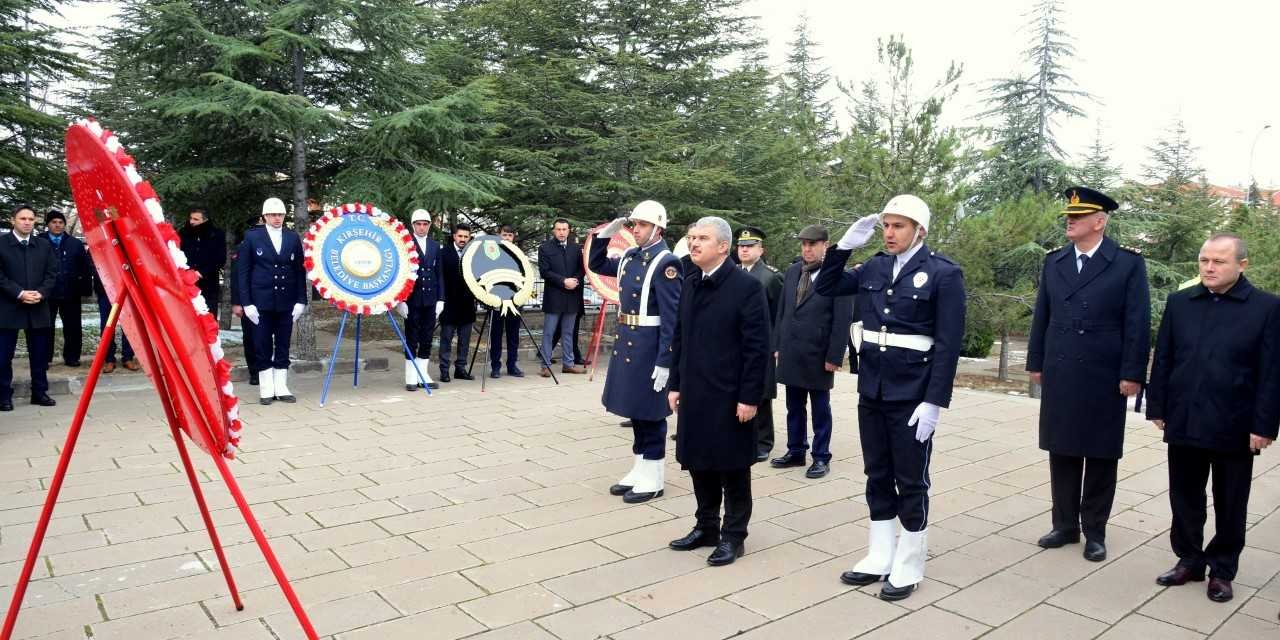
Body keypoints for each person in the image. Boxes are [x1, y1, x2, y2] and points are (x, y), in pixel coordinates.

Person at [816, 194, 965, 601]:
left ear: (920, 230)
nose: (889, 233)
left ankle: (909, 563)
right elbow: (826, 285)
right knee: (877, 474)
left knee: (910, 479)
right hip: (874, 388)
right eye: (886, 225)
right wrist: (843, 247)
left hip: (913, 393)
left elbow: (948, 345)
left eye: (898, 226)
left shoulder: (943, 273)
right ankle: (880, 554)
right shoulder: (875, 267)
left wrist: (934, 402)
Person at [1146, 233, 1279, 603]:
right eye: (1204, 260)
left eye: (1219, 261)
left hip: (1235, 425)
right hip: (1185, 419)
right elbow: (1166, 357)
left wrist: (1264, 425)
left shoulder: (1267, 308)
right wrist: (1157, 406)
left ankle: (1222, 569)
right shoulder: (1181, 302)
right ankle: (1189, 559)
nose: (1209, 268)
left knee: (1230, 501)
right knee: (1184, 496)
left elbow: (1272, 372)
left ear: (1242, 265)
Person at [1026, 186, 1150, 563]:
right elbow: (1042, 314)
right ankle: (1064, 525)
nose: (1070, 221)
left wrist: (1132, 372)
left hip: (1104, 371)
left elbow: (1137, 322)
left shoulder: (1126, 263)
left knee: (1099, 452)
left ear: (1100, 222)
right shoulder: (1055, 261)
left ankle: (1094, 529)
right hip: (1062, 366)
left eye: (1078, 217)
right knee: (1061, 448)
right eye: (1068, 216)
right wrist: (1036, 362)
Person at [667, 216, 770, 567]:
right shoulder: (692, 282)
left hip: (730, 395)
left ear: (723, 247)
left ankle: (733, 536)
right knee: (699, 462)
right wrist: (675, 383)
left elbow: (757, 348)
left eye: (703, 238)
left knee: (732, 467)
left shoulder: (746, 287)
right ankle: (706, 525)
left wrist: (749, 397)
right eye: (692, 237)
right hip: (696, 391)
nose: (694, 243)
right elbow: (680, 336)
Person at [590, 201, 682, 503]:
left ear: (658, 228)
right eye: (634, 225)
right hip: (629, 342)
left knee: (652, 414)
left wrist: (666, 361)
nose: (635, 230)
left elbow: (672, 318)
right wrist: (606, 234)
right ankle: (640, 467)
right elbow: (597, 264)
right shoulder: (631, 256)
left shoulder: (667, 263)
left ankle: (653, 477)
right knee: (636, 412)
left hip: (649, 347)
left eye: (641, 225)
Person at [771, 224, 853, 479]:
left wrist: (834, 356)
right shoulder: (794, 270)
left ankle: (820, 456)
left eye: (812, 244)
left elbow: (842, 320)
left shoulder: (838, 275)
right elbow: (783, 311)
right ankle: (796, 451)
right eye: (804, 244)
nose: (807, 249)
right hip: (792, 350)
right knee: (793, 405)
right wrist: (777, 345)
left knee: (820, 408)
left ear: (824, 246)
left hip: (818, 353)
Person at [236, 197, 308, 405]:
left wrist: (301, 300)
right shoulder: (252, 237)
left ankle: (282, 387)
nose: (277, 218)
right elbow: (244, 273)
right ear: (265, 216)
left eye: (280, 215)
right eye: (273, 215)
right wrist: (247, 303)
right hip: (260, 302)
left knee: (283, 344)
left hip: (286, 302)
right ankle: (266, 388)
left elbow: (298, 271)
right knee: (262, 344)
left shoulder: (292, 237)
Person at [0, 205, 58, 410]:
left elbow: (52, 273)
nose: (27, 222)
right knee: (3, 356)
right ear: (12, 220)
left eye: (31, 219)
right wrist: (19, 293)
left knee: (40, 354)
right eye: (22, 218)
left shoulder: (43, 245)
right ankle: (3, 396)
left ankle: (40, 392)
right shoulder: (2, 244)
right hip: (8, 307)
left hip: (37, 306)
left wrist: (41, 293)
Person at [737, 226, 784, 461]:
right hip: (736, 344)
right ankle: (742, 436)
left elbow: (779, 314)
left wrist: (777, 345)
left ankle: (763, 441)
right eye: (741, 246)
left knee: (761, 392)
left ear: (761, 249)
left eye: (750, 246)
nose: (744, 250)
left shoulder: (770, 277)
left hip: (762, 343)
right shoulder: (734, 273)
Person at [396, 209, 445, 390]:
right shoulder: (405, 244)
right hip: (412, 300)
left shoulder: (434, 245)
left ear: (430, 225)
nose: (422, 227)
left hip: (430, 299)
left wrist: (441, 299)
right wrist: (400, 301)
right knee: (412, 337)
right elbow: (400, 274)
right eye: (418, 224)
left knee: (427, 337)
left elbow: (438, 274)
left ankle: (422, 373)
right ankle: (410, 376)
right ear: (413, 225)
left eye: (425, 224)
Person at [40, 208, 91, 367]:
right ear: (48, 224)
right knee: (45, 327)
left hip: (71, 292)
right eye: (54, 222)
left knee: (73, 326)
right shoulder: (39, 241)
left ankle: (72, 356)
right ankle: (44, 358)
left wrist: (85, 289)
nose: (57, 225)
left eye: (60, 222)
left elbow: (85, 267)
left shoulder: (75, 243)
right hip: (46, 293)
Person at [539, 218, 585, 376]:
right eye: (558, 229)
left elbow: (582, 269)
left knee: (568, 332)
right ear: (554, 231)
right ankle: (545, 365)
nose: (561, 232)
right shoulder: (545, 248)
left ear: (569, 230)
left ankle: (568, 364)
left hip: (572, 296)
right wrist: (563, 281)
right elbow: (544, 272)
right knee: (549, 332)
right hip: (554, 296)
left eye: (564, 229)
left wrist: (576, 280)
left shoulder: (575, 248)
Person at [438, 223, 477, 382]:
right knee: (446, 339)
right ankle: (444, 370)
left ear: (469, 238)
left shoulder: (473, 254)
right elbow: (440, 278)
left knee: (465, 340)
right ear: (454, 236)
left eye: (465, 237)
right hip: (449, 304)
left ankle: (460, 369)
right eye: (460, 236)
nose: (462, 239)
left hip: (467, 304)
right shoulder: (443, 253)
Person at [89, 250, 136, 374]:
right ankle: (109, 359)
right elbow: (93, 265)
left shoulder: (125, 241)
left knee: (129, 326)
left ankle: (128, 357)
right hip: (105, 290)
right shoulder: (99, 243)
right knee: (107, 325)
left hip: (127, 289)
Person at [229, 216, 262, 385]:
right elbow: (236, 277)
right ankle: (255, 372)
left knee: (265, 337)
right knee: (250, 337)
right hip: (247, 299)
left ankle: (266, 370)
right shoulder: (242, 248)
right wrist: (236, 302)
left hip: (266, 299)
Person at [488, 224, 523, 378]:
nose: (507, 238)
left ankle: (512, 365)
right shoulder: (492, 254)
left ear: (513, 237)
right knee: (496, 336)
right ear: (499, 235)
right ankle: (495, 366)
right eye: (504, 235)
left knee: (513, 336)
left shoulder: (519, 255)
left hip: (514, 301)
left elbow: (524, 277)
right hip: (497, 301)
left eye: (510, 235)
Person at [178, 207, 227, 319]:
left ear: (205, 220)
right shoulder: (184, 233)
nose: (192, 222)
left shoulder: (216, 235)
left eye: (196, 219)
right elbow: (177, 254)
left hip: (208, 284)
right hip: (187, 283)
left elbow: (220, 259)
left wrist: (201, 272)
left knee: (207, 316)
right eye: (191, 218)